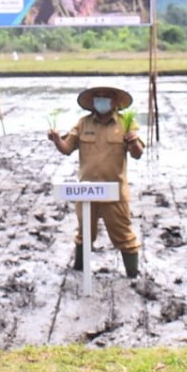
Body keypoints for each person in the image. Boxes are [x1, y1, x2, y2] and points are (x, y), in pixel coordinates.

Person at [47, 85, 144, 278]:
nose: (101, 100)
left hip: (115, 192)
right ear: (92, 102)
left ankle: (133, 274)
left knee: (124, 235)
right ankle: (79, 271)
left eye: (106, 97)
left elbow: (138, 154)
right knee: (84, 234)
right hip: (87, 191)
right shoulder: (83, 124)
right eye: (97, 97)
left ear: (115, 102)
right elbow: (67, 148)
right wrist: (57, 140)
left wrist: (133, 141)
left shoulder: (126, 123)